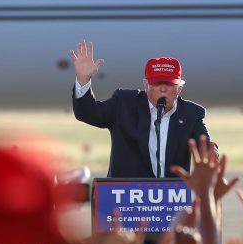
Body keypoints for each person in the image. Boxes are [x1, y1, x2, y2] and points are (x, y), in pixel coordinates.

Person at [70, 40, 214, 178]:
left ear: (179, 88)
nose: (163, 89)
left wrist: (212, 156)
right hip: (126, 198)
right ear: (146, 84)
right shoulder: (124, 104)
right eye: (157, 83)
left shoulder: (192, 114)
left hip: (173, 199)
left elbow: (207, 149)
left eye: (169, 84)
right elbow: (88, 113)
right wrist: (83, 81)